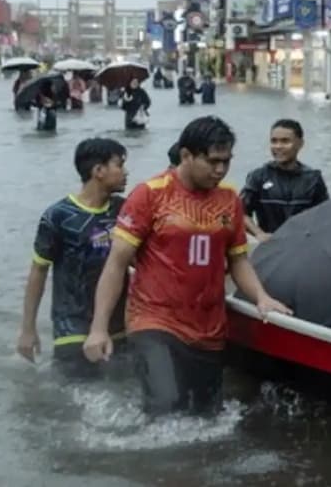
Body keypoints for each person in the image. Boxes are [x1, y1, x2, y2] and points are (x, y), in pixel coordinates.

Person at [83, 116, 292, 417]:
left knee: (206, 418)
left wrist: (261, 297)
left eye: (226, 161)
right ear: (186, 155)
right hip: (154, 321)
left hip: (209, 329)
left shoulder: (229, 200)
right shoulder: (150, 194)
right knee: (166, 407)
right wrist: (98, 328)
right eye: (212, 161)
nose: (220, 170)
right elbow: (116, 264)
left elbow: (237, 260)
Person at [17, 138, 130, 378]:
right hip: (72, 329)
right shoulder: (58, 216)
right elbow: (38, 272)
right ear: (98, 171)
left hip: (118, 327)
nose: (126, 172)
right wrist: (28, 329)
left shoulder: (125, 210)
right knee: (74, 395)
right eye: (119, 165)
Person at [241, 119, 330, 241]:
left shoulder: (313, 178)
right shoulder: (258, 176)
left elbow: (325, 215)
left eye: (285, 141)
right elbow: (241, 213)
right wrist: (259, 234)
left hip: (302, 243)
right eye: (274, 141)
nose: (278, 146)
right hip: (270, 243)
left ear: (300, 143)